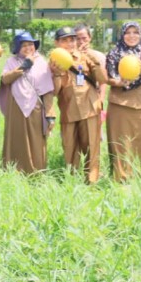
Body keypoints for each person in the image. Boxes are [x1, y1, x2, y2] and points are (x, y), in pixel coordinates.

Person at [49, 26, 107, 183]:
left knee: (92, 147)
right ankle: (71, 180)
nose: (69, 44)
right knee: (69, 148)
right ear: (57, 43)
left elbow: (102, 79)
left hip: (89, 108)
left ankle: (92, 180)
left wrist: (93, 59)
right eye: (64, 40)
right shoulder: (53, 61)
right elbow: (55, 92)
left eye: (72, 39)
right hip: (68, 110)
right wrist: (56, 74)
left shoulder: (85, 57)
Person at [105, 22, 141, 182]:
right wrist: (119, 82)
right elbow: (109, 78)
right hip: (119, 104)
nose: (131, 36)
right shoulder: (114, 53)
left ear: (140, 34)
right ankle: (121, 179)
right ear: (122, 35)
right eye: (127, 32)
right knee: (121, 142)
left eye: (135, 32)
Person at [0, 31, 55, 174]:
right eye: (23, 45)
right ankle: (13, 170)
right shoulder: (11, 62)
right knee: (15, 138)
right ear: (17, 47)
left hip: (35, 105)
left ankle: (35, 171)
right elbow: (6, 79)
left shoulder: (42, 62)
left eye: (30, 45)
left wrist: (50, 114)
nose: (28, 48)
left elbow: (47, 90)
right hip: (15, 105)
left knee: (35, 138)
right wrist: (25, 65)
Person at [74, 23, 108, 123]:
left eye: (84, 38)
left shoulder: (99, 56)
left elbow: (103, 81)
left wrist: (101, 100)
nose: (81, 42)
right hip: (75, 99)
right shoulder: (70, 57)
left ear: (90, 38)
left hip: (93, 98)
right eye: (77, 38)